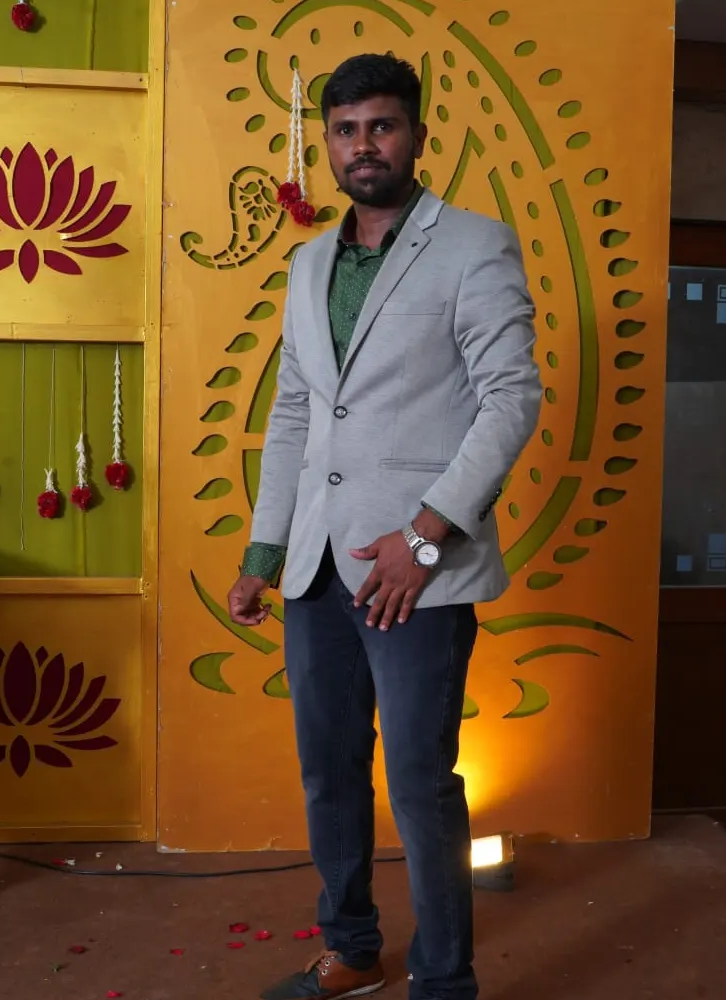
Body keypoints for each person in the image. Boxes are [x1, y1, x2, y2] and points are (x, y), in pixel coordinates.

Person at [228, 52, 542, 1000]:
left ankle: (443, 981)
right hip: (317, 569)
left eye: (382, 126)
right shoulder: (308, 263)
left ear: (415, 135)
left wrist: (425, 535)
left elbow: (511, 398)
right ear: (327, 144)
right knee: (329, 773)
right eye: (346, 130)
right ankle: (354, 950)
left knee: (418, 782)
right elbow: (296, 413)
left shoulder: (474, 245)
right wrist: (264, 553)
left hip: (416, 573)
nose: (363, 145)